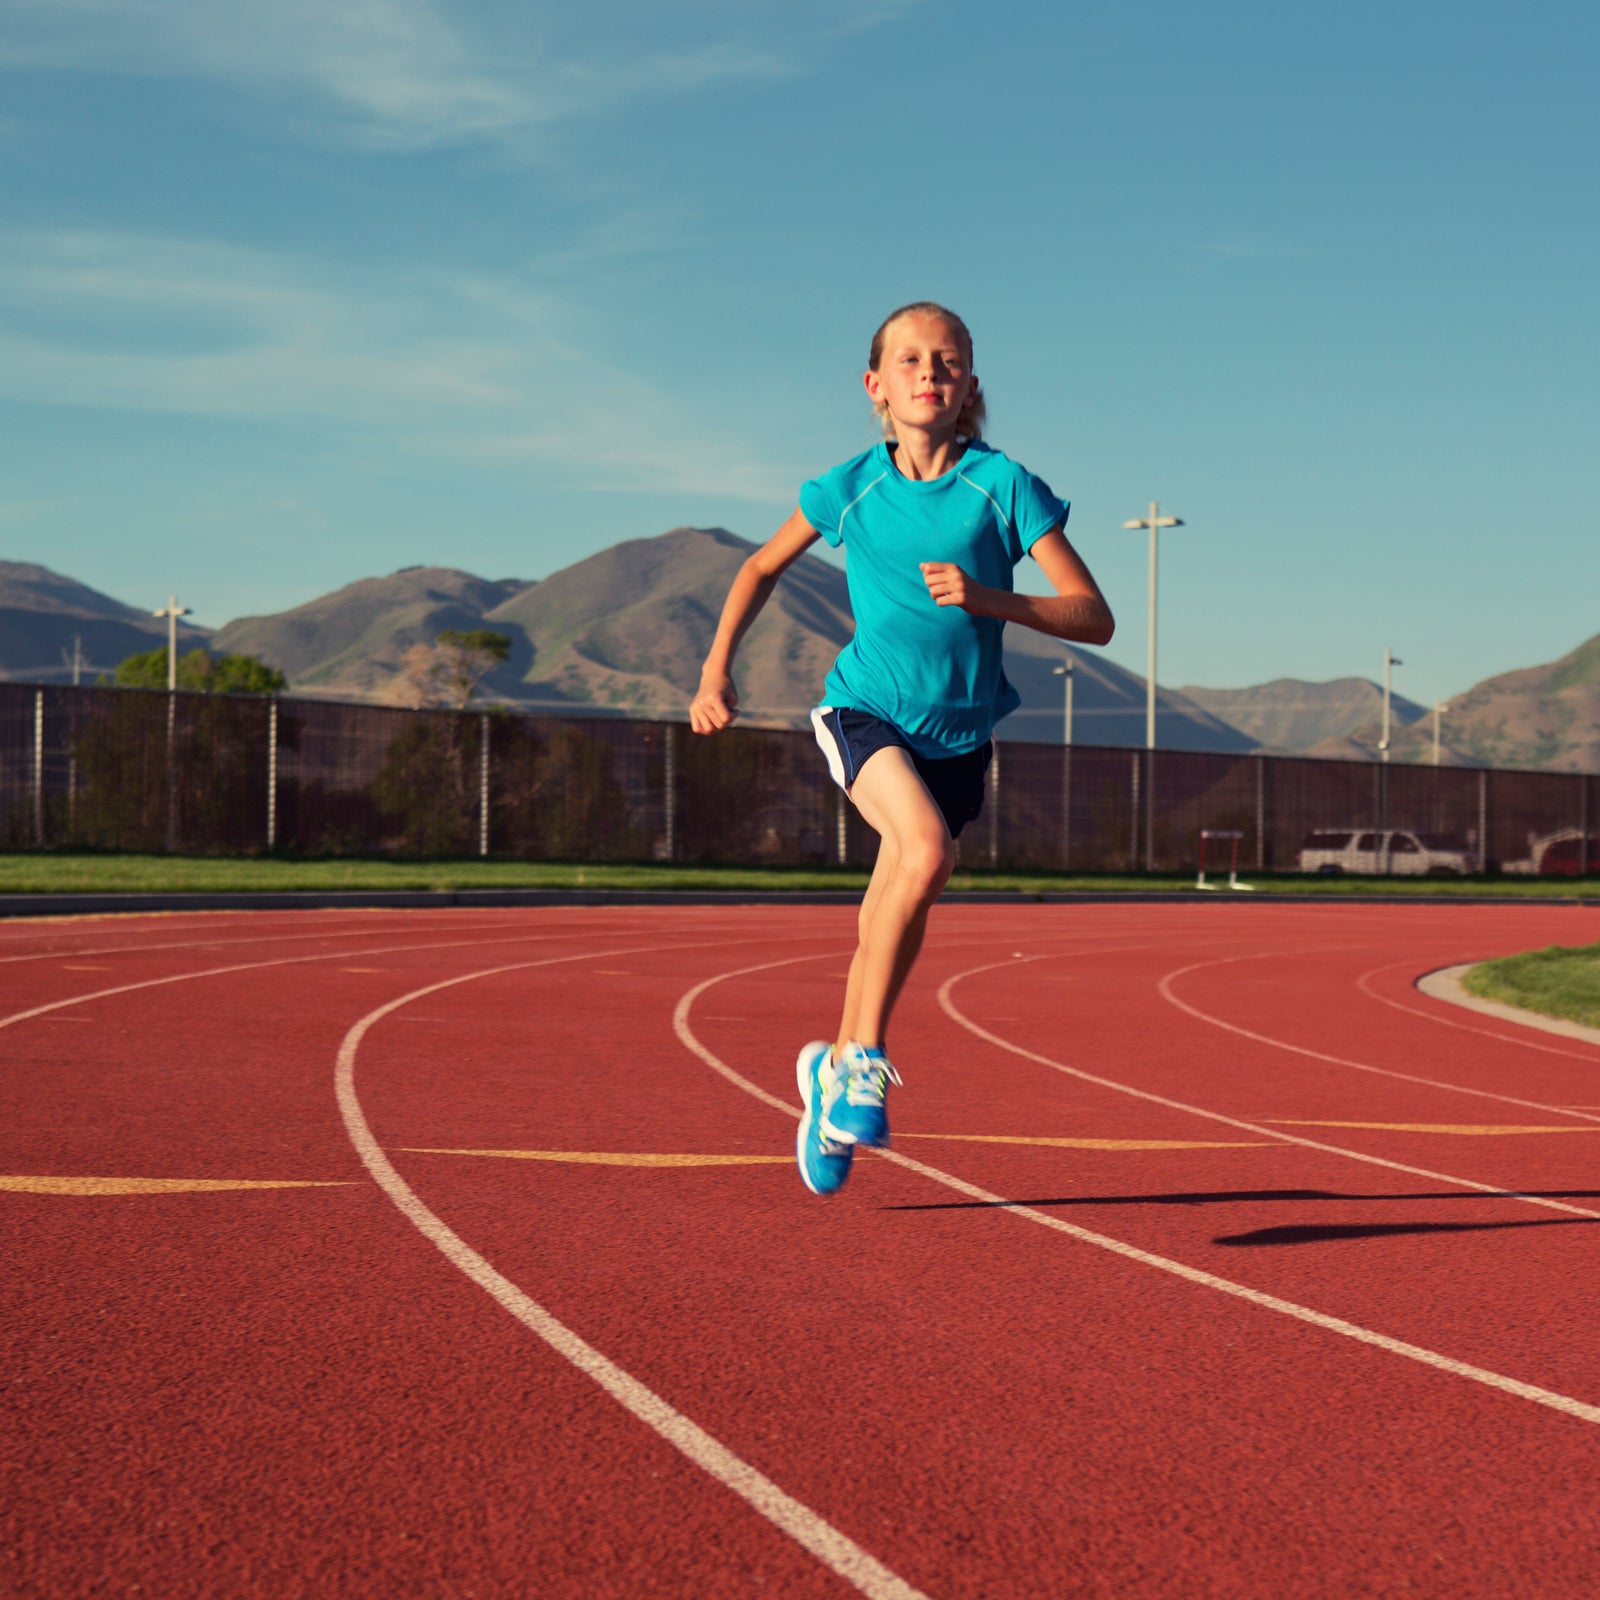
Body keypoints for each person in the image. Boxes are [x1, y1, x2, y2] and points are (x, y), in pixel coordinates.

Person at [689, 302, 1114, 1196]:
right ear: (876, 386)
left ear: (969, 389)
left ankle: (829, 1066)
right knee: (923, 850)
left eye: (949, 362)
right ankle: (863, 1062)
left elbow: (1093, 615)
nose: (931, 373)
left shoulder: (1004, 487)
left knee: (908, 888)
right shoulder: (850, 488)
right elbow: (761, 566)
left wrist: (992, 598)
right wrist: (715, 670)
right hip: (865, 711)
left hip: (961, 735)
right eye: (912, 360)